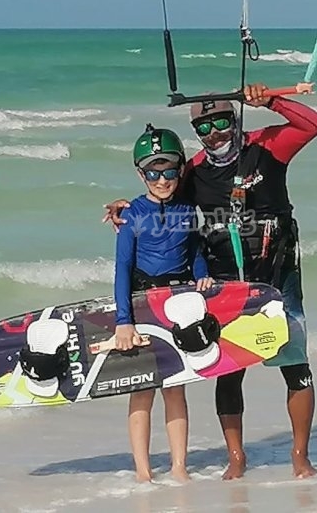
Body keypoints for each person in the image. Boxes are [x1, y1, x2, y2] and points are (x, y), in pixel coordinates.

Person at [104, 84, 317, 480]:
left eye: (222, 121)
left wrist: (270, 101)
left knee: (295, 366)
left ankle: (299, 456)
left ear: (236, 120)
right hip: (224, 284)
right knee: (228, 371)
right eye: (204, 127)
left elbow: (313, 124)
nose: (215, 133)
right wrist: (127, 205)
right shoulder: (195, 171)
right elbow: (160, 188)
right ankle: (237, 458)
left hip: (277, 275)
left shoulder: (266, 147)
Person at [114, 124, 213, 483]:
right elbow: (122, 268)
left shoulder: (188, 210)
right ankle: (143, 470)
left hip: (178, 299)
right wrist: (123, 320)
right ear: (141, 174)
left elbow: (195, 250)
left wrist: (202, 275)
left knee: (175, 387)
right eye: (153, 172)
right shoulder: (131, 215)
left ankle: (179, 467)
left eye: (170, 170)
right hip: (142, 302)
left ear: (181, 169)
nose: (162, 179)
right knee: (142, 390)